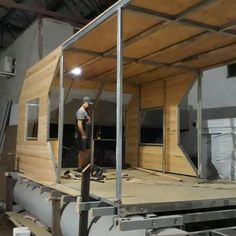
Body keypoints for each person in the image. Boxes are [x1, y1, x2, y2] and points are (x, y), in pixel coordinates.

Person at [75, 96, 93, 170]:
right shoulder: (80, 111)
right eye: (88, 104)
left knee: (87, 150)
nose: (89, 105)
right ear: (84, 103)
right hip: (82, 135)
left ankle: (84, 165)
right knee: (82, 151)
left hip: (86, 135)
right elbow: (79, 124)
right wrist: (82, 134)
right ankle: (80, 167)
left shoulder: (85, 111)